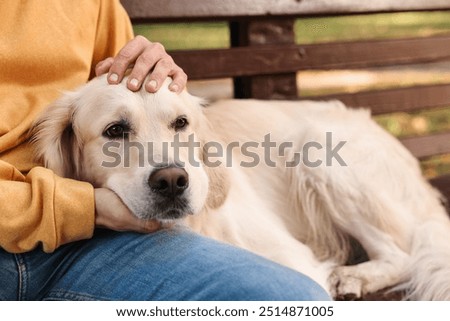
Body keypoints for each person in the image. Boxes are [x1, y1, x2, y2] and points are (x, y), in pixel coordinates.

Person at [0, 0, 329, 300]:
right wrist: (84, 208)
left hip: (89, 243)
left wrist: (148, 66)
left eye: (180, 124)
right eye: (117, 131)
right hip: (33, 242)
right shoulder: (63, 147)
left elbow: (119, 81)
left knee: (295, 300)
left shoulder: (90, 5)